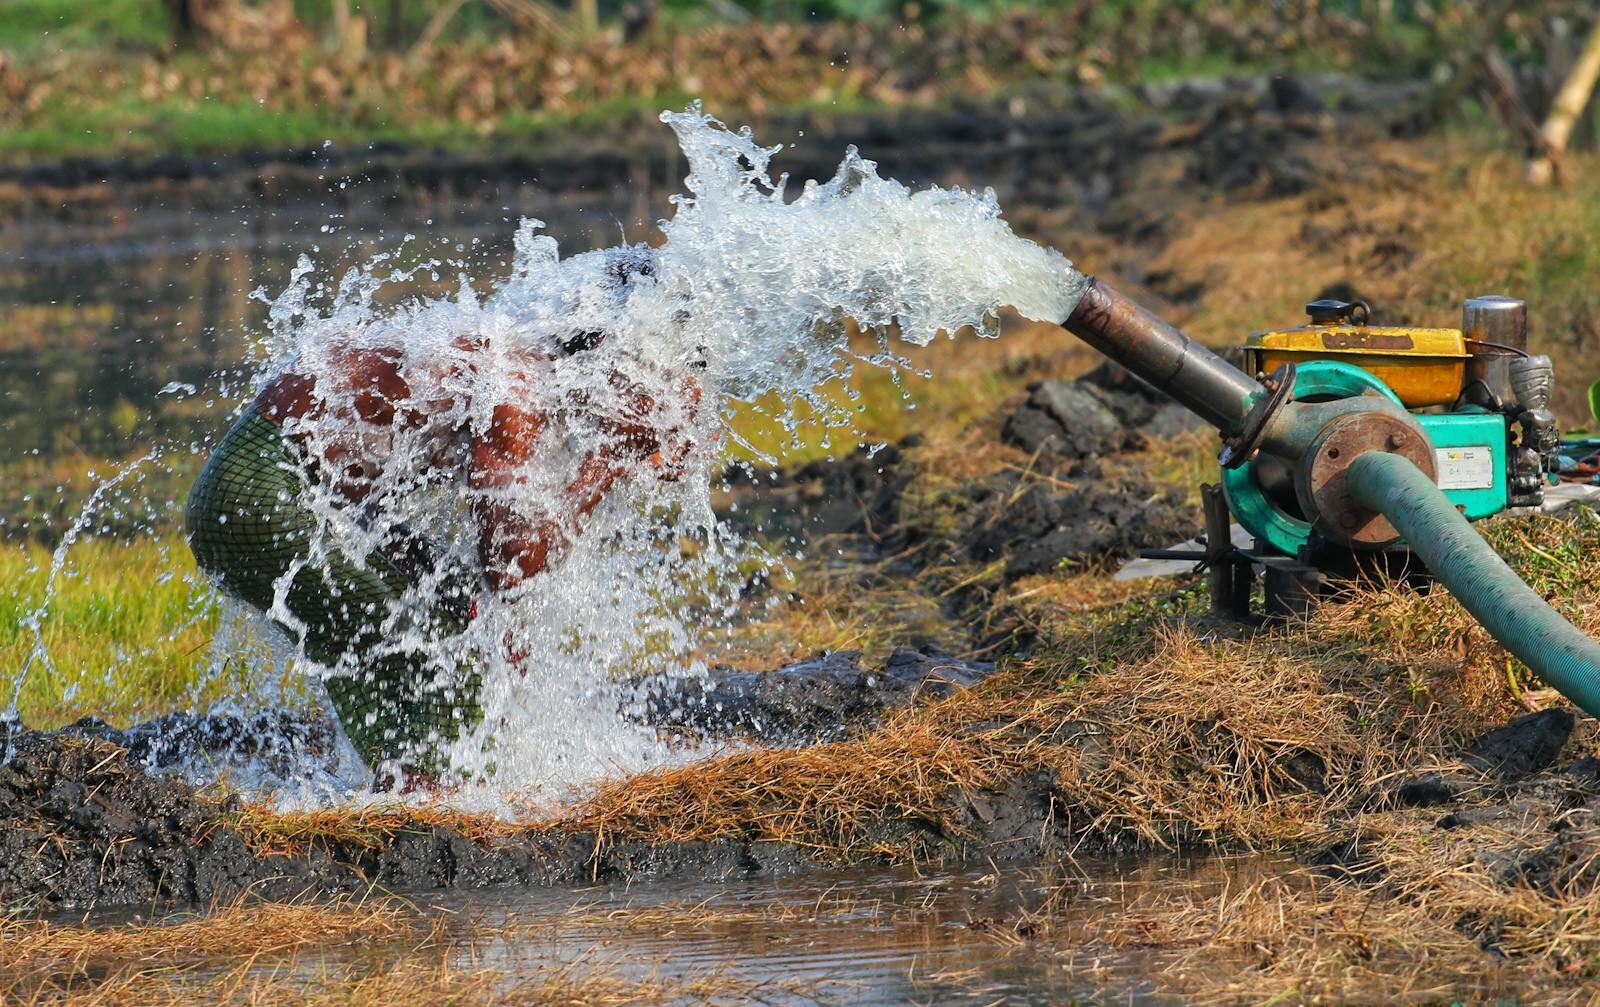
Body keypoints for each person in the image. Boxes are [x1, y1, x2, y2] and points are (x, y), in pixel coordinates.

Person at [186, 249, 696, 790]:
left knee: (456, 613)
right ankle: (418, 819)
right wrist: (609, 460)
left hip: (291, 497)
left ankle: (411, 794)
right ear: (608, 349)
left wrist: (498, 657)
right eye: (654, 370)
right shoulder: (515, 385)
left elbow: (499, 586)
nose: (659, 391)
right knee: (445, 666)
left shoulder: (523, 369)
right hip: (259, 495)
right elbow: (512, 566)